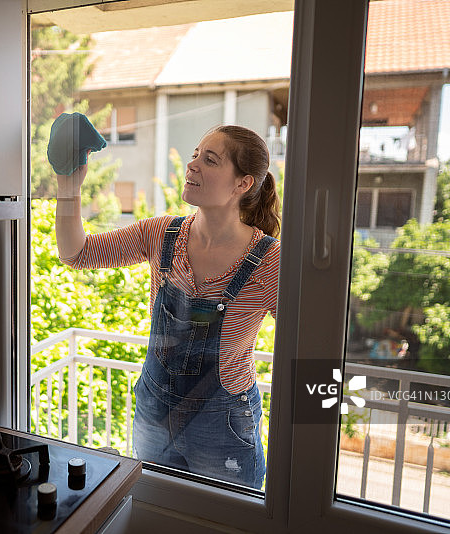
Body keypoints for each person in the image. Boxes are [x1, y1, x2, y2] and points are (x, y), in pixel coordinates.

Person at [54, 125, 281, 489]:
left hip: (222, 427)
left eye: (210, 160)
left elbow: (307, 342)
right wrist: (69, 186)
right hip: (153, 416)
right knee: (153, 508)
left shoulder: (270, 262)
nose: (192, 165)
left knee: (223, 517)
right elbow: (76, 253)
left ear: (243, 184)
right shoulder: (160, 234)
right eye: (195, 155)